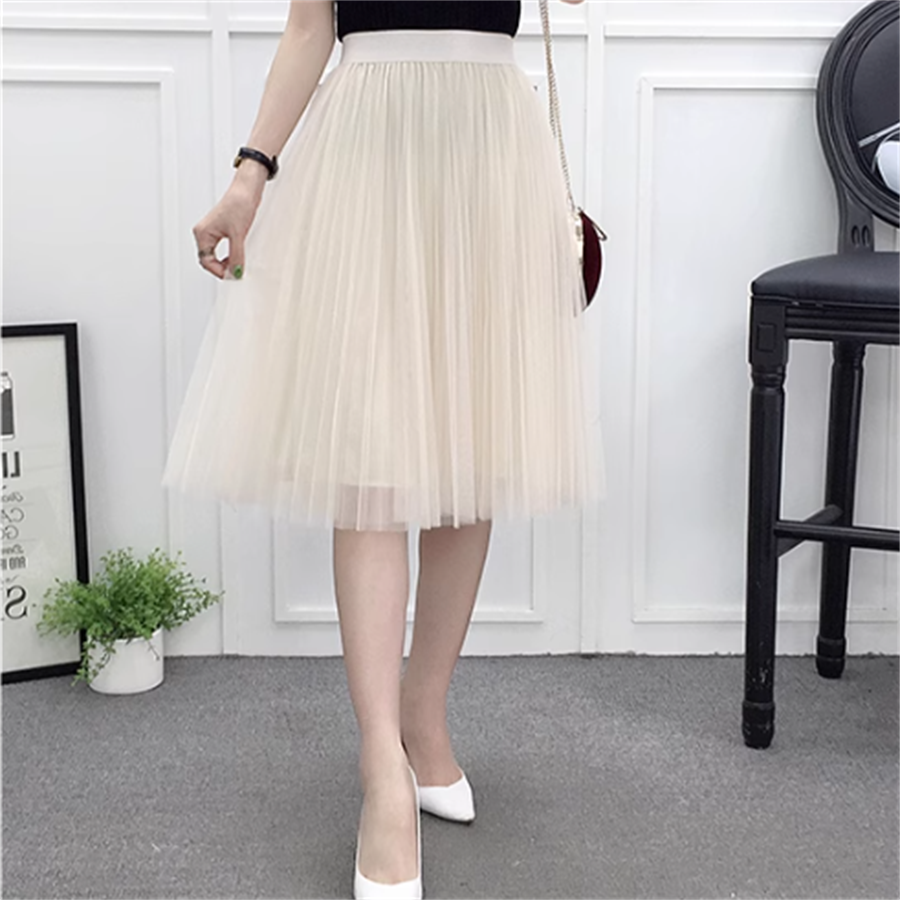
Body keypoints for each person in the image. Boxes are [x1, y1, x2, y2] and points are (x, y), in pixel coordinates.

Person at [162, 1, 599, 897]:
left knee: (472, 446)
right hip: (367, 145)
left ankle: (423, 718)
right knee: (370, 460)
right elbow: (308, 28)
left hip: (489, 144)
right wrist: (249, 176)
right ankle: (380, 772)